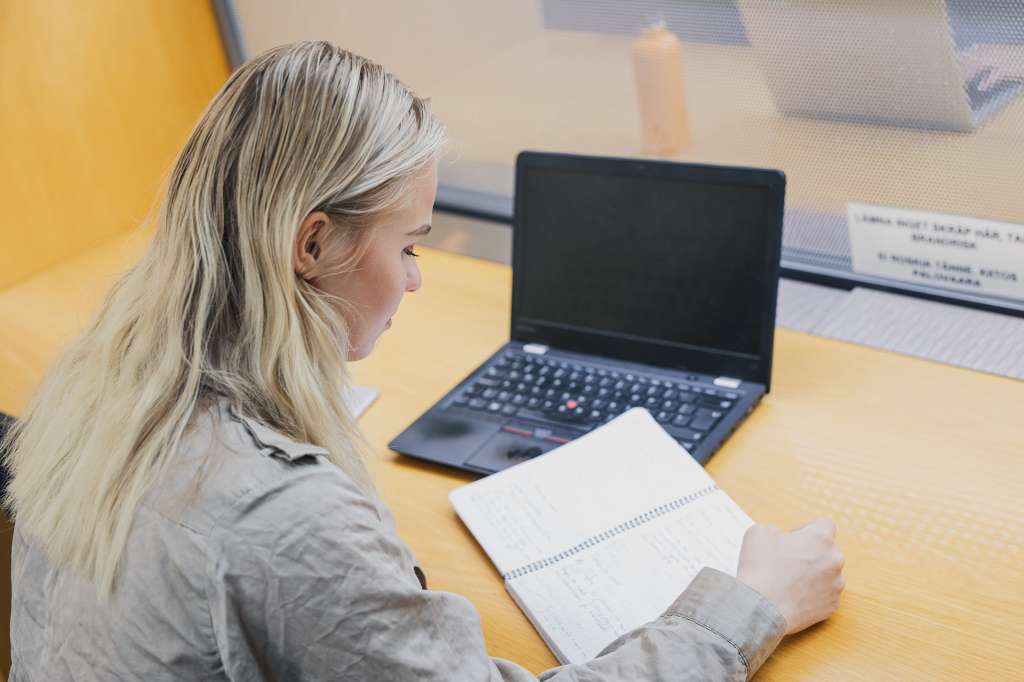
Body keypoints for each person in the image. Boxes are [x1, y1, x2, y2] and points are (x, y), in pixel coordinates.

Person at [2, 41, 845, 681]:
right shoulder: (281, 516)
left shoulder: (99, 376)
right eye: (409, 244)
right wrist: (749, 608)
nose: (412, 279)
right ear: (312, 243)